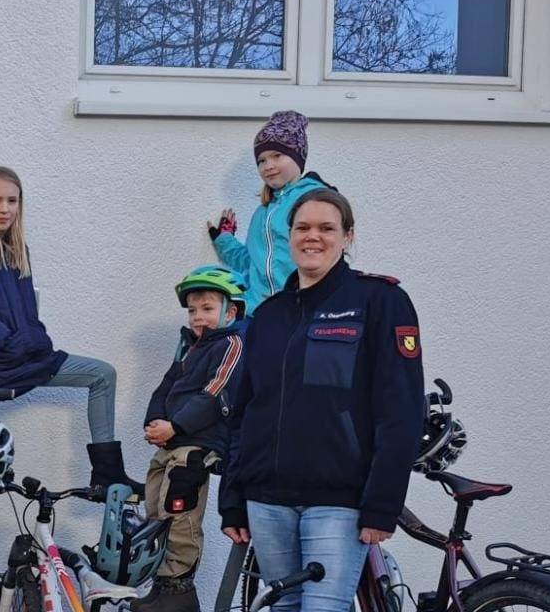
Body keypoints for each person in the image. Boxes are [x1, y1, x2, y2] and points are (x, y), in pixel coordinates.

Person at [218, 189, 425, 612]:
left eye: (327, 228)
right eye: (303, 228)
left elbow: (401, 411)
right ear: (290, 236)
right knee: (284, 607)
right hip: (267, 500)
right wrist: (232, 499)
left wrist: (382, 504)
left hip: (338, 501)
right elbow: (243, 414)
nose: (313, 237)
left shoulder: (380, 301)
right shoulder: (268, 316)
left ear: (347, 237)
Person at [0, 165, 137, 579]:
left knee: (101, 374)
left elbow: (26, 312)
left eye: (12, 200)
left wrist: (37, 338)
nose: (4, 208)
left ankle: (107, 471)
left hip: (24, 357)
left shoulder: (17, 250)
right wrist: (8, 339)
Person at [133, 266, 247, 612]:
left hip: (197, 445)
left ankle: (179, 587)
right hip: (172, 442)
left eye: (208, 309)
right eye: (193, 310)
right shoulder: (189, 348)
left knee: (180, 512)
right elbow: (166, 386)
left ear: (231, 311)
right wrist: (154, 420)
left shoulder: (230, 344)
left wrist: (176, 426)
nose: (199, 317)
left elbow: (214, 394)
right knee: (156, 507)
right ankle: (161, 583)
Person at [208, 111, 330, 315]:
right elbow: (251, 262)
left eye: (277, 156)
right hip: (257, 313)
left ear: (297, 157)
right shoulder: (261, 213)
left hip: (300, 313)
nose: (268, 166)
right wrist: (224, 240)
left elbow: (328, 256)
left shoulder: (313, 200)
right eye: (261, 161)